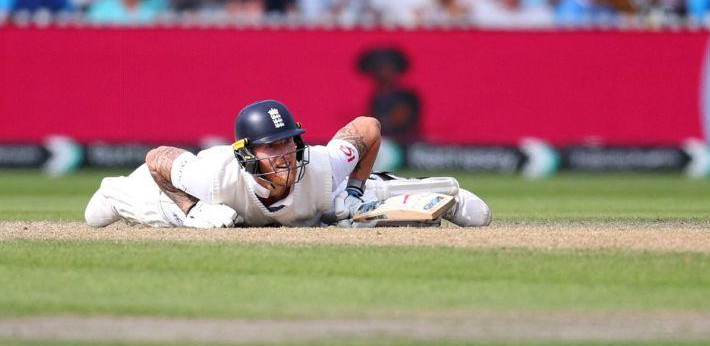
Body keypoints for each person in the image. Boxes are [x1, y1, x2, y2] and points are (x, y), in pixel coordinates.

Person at [84, 100, 490, 228]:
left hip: (316, 199)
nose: (283, 155)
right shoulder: (210, 175)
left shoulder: (321, 163)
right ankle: (112, 190)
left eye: (288, 143)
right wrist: (193, 209)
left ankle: (443, 197)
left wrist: (351, 190)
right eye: (269, 147)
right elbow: (157, 159)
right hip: (174, 198)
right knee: (97, 215)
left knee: (347, 203)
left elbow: (367, 127)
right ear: (246, 153)